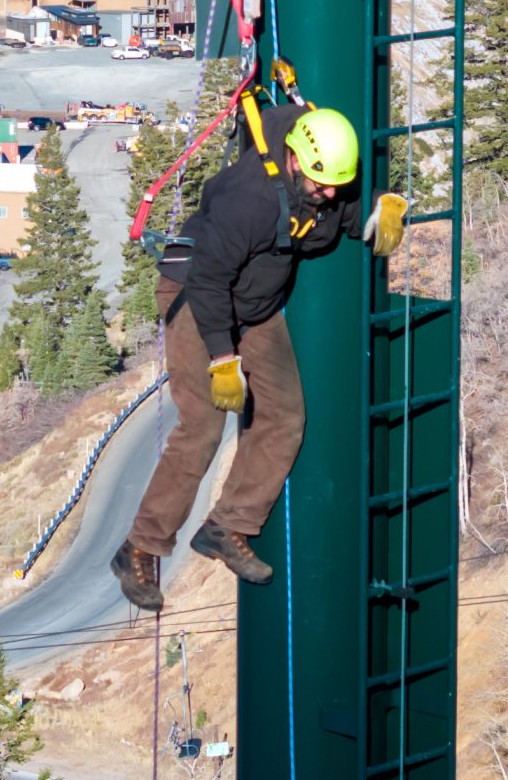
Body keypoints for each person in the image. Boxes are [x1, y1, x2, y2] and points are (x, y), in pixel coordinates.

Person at [111, 101, 392, 609]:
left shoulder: (318, 173)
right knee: (201, 426)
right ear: (293, 159)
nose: (329, 194)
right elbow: (209, 282)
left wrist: (375, 207)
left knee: (284, 417)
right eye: (321, 183)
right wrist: (222, 358)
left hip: (256, 304)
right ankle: (140, 547)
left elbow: (335, 212)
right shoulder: (250, 201)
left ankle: (226, 526)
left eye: (337, 185)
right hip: (197, 297)